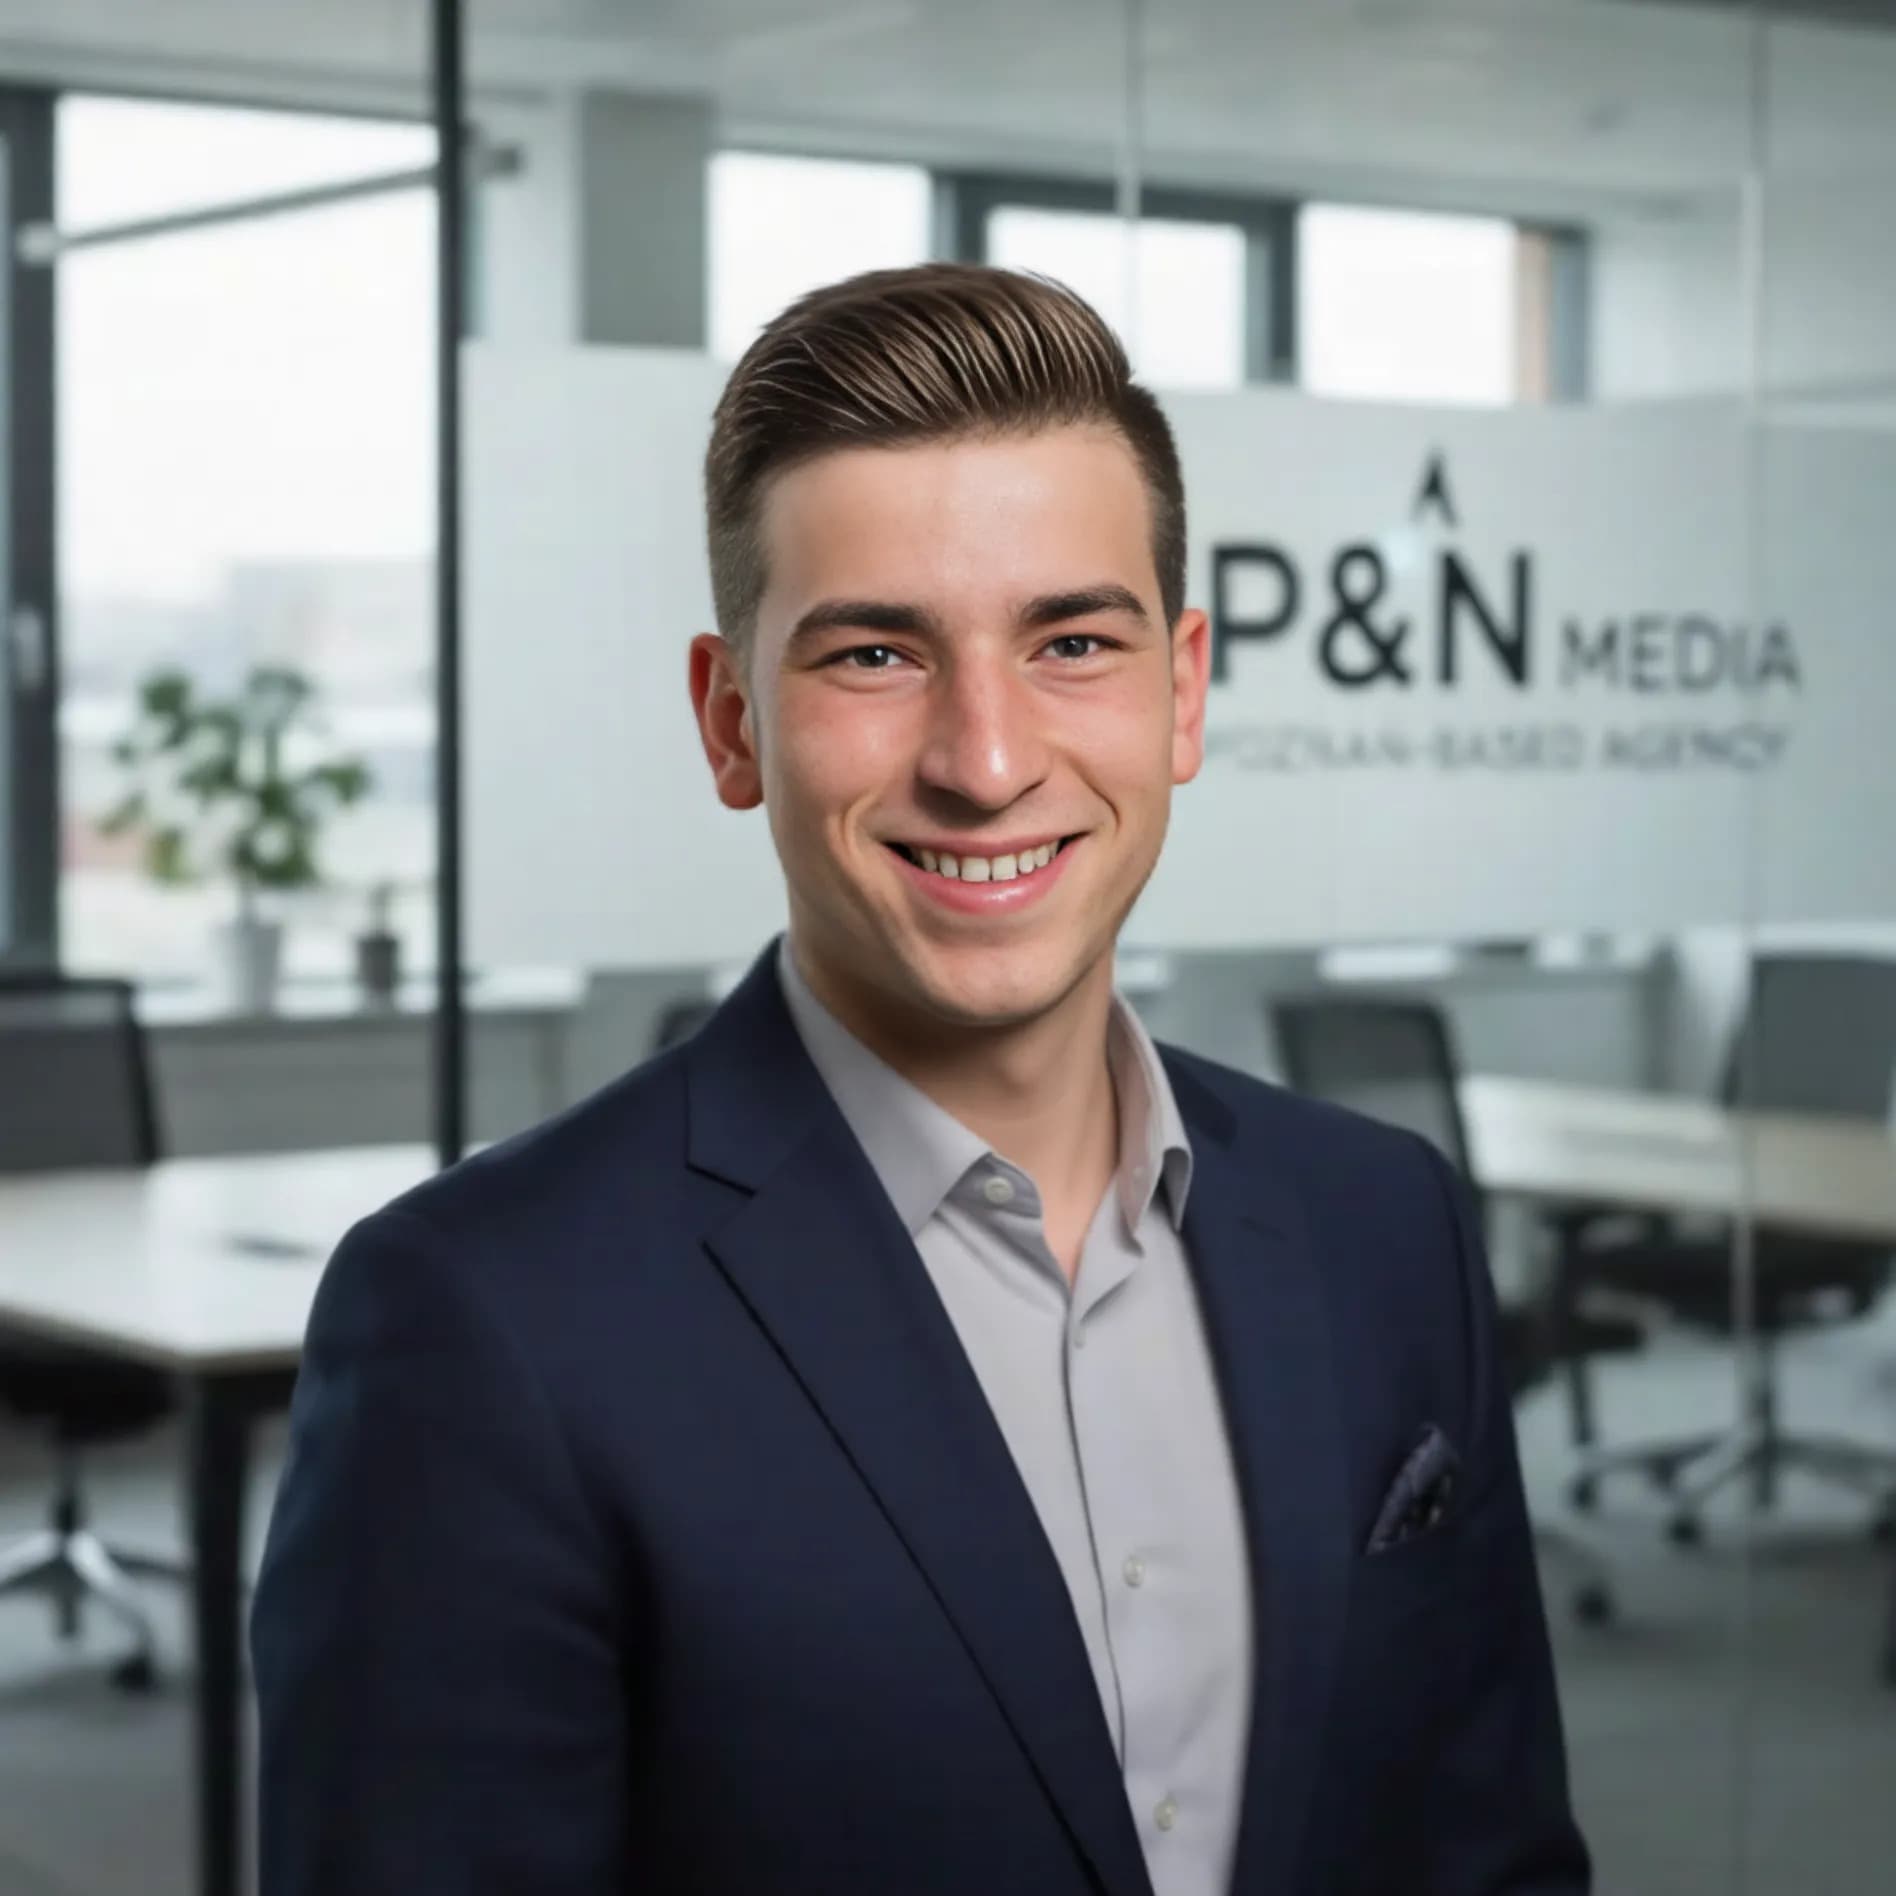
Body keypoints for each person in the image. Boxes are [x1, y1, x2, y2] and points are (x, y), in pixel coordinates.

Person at [251, 262, 1590, 1896]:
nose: (986, 758)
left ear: (1183, 691)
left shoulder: (1382, 1223)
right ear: (731, 721)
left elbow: (1492, 1857)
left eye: (1071, 642)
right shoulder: (484, 1321)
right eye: (877, 656)